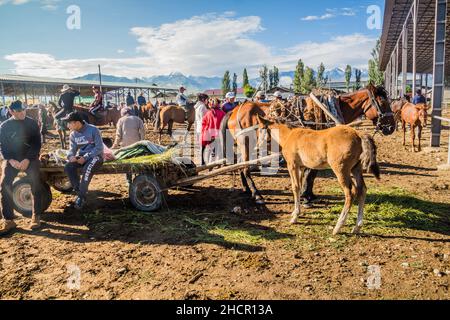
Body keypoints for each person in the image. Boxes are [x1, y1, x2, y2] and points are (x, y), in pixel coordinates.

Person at [0, 101, 43, 235]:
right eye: (18, 111)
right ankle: (9, 219)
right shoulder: (4, 126)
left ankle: (36, 216)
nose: (22, 113)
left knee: (35, 183)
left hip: (29, 158)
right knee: (4, 184)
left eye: (23, 110)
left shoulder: (32, 123)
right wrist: (11, 160)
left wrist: (28, 159)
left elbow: (37, 143)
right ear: (11, 111)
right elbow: (3, 146)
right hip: (12, 159)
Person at [63, 112, 104, 210]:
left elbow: (99, 148)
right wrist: (70, 156)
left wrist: (85, 157)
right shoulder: (73, 134)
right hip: (81, 158)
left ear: (77, 123)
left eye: (69, 123)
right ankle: (79, 192)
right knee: (68, 167)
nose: (67, 125)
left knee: (87, 169)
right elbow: (72, 149)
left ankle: (81, 197)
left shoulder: (93, 130)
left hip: (96, 157)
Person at [201, 98, 226, 164]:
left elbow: (203, 123)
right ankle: (217, 163)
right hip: (219, 134)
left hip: (209, 134)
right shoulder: (222, 113)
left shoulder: (208, 113)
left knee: (211, 149)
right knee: (218, 149)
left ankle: (210, 163)